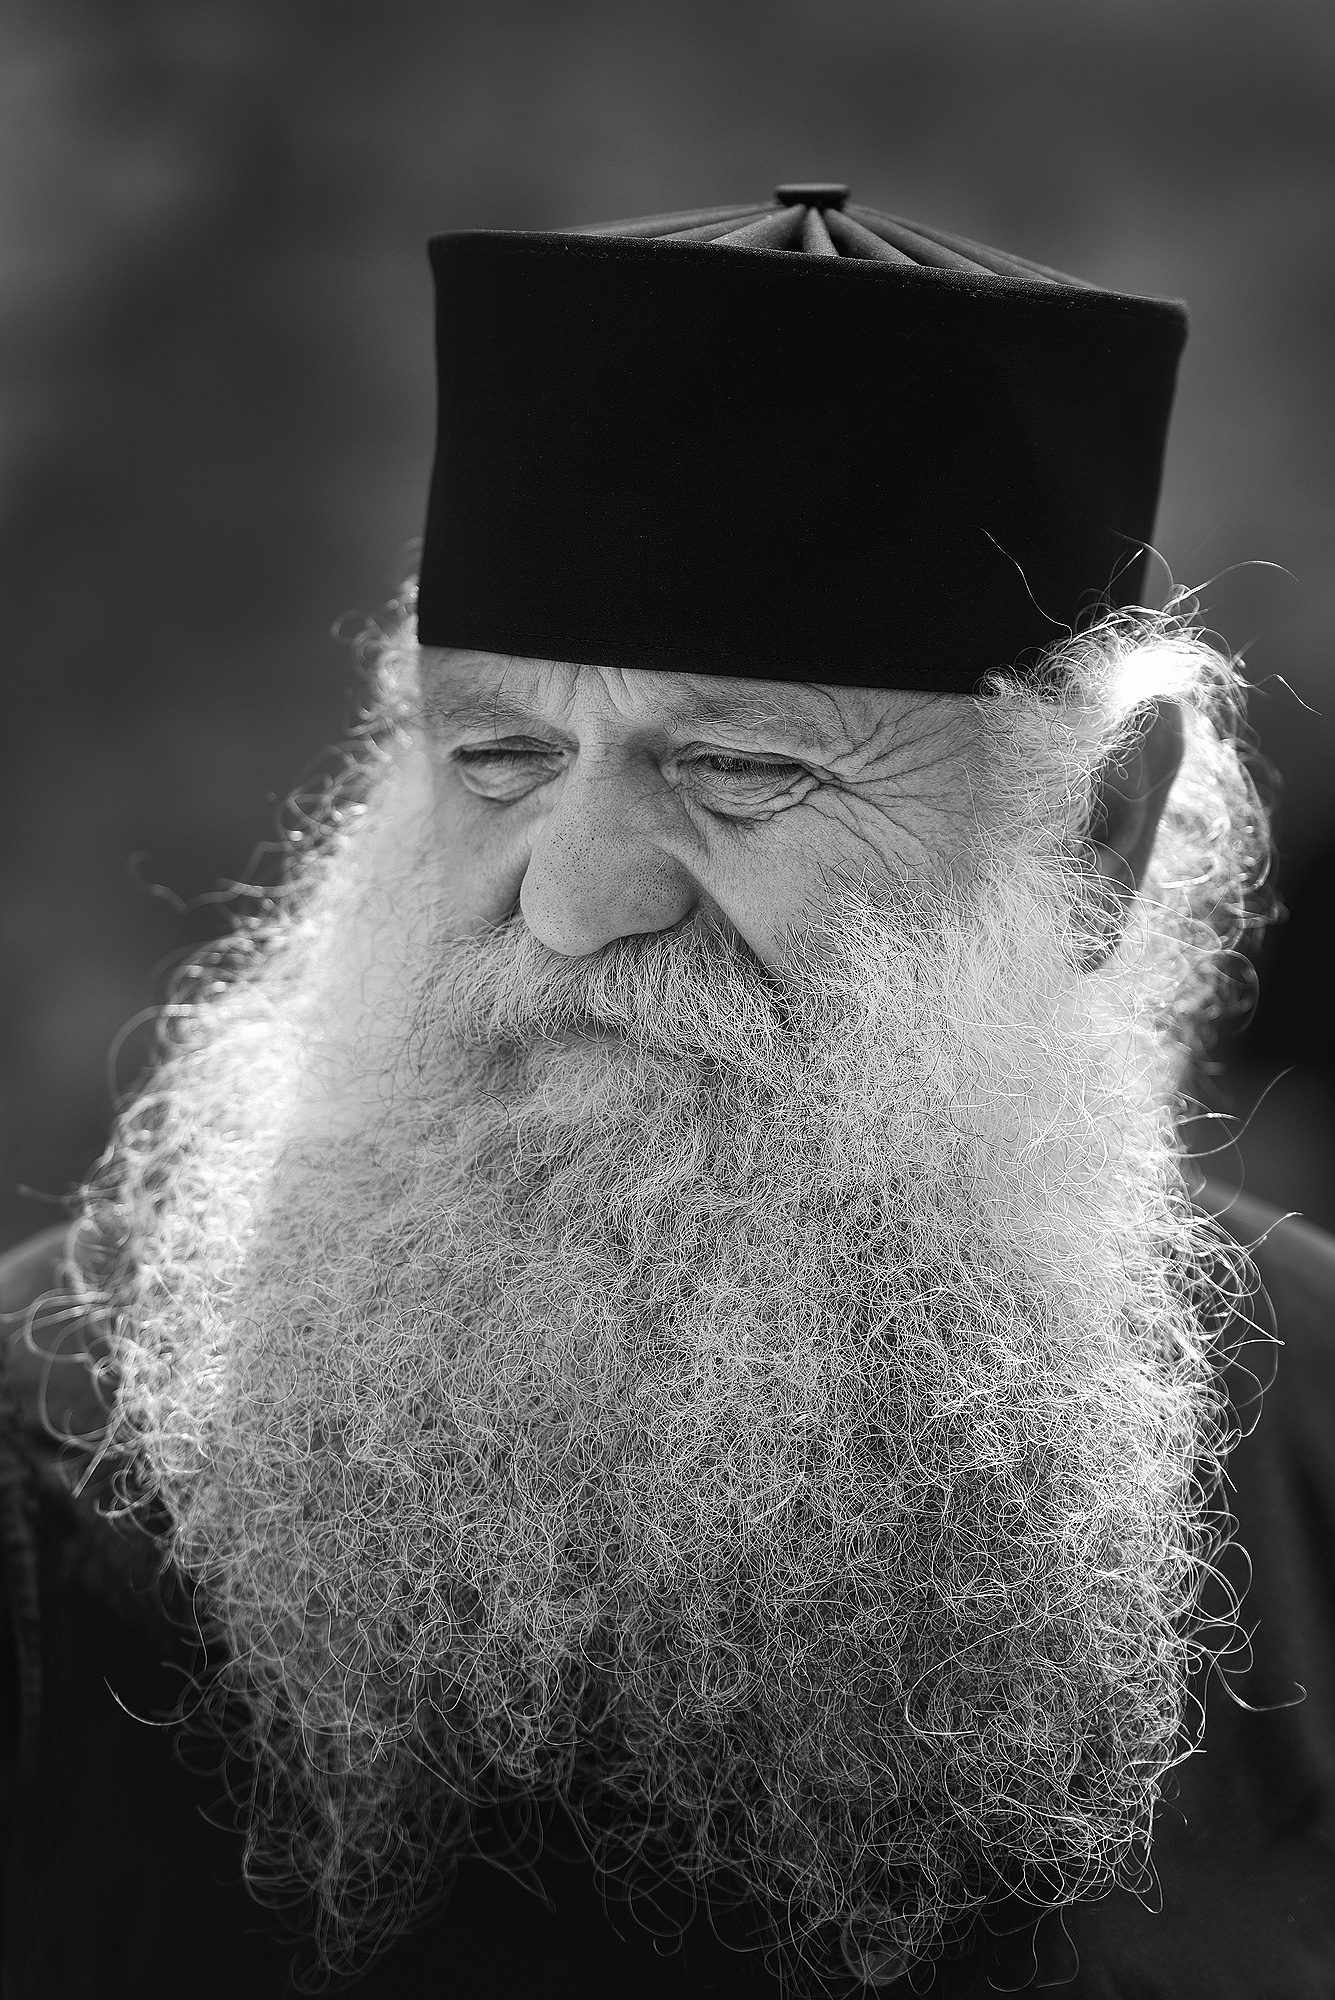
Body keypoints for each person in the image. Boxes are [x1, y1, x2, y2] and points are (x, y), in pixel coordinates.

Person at [2, 188, 1332, 1999]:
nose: (568, 900)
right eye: (500, 757)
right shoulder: (36, 1467)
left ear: (1097, 834)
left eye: (745, 772)